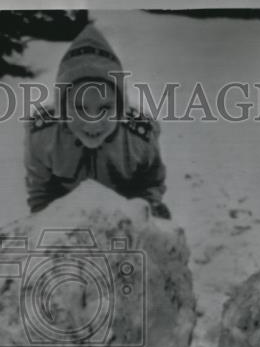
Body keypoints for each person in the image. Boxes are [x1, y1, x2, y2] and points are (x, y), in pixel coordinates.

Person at [25, 24, 170, 218]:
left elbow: (149, 186)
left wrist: (144, 214)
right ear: (62, 107)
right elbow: (41, 197)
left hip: (124, 221)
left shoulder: (140, 137)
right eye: (80, 108)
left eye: (105, 108)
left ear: (120, 108)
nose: (93, 123)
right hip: (67, 223)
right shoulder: (43, 136)